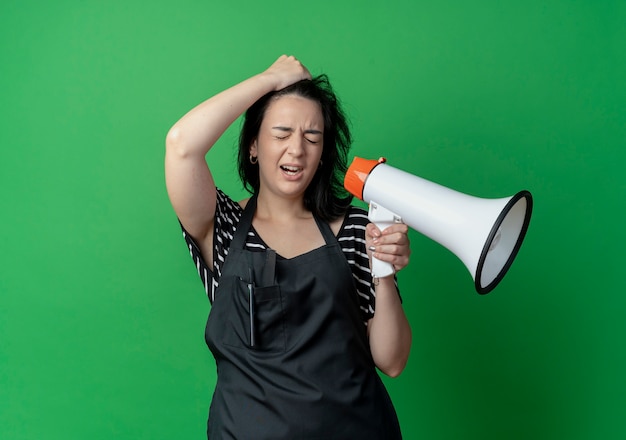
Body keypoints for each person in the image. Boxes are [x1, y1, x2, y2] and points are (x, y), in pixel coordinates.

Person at [165, 55, 413, 439]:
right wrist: (271, 79)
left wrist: (385, 272)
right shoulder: (222, 226)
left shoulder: (355, 228)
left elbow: (392, 360)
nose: (297, 149)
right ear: (253, 146)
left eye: (312, 138)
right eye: (281, 134)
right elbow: (181, 145)